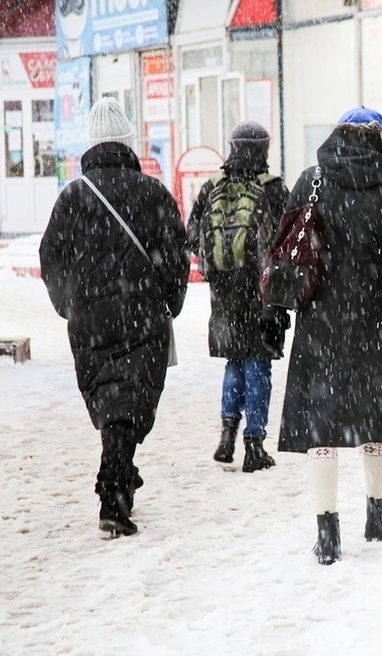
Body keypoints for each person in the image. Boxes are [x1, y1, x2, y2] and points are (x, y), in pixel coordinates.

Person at [276, 106, 382, 565]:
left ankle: (327, 531)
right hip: (373, 320)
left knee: (321, 424)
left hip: (320, 320)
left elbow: (287, 248)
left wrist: (275, 312)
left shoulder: (312, 180)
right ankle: (376, 512)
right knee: (374, 415)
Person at [39, 97, 189, 537]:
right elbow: (176, 255)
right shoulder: (153, 192)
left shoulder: (72, 197)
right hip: (142, 317)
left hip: (90, 323)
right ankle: (114, 493)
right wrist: (170, 301)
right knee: (130, 402)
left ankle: (121, 476)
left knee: (112, 401)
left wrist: (70, 304)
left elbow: (51, 258)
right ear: (127, 144)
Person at [188, 121, 290, 473]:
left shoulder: (213, 187)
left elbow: (191, 235)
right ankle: (255, 444)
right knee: (258, 364)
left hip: (224, 294)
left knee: (235, 361)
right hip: (260, 291)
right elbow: (289, 240)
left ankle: (227, 435)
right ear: (263, 149)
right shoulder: (273, 189)